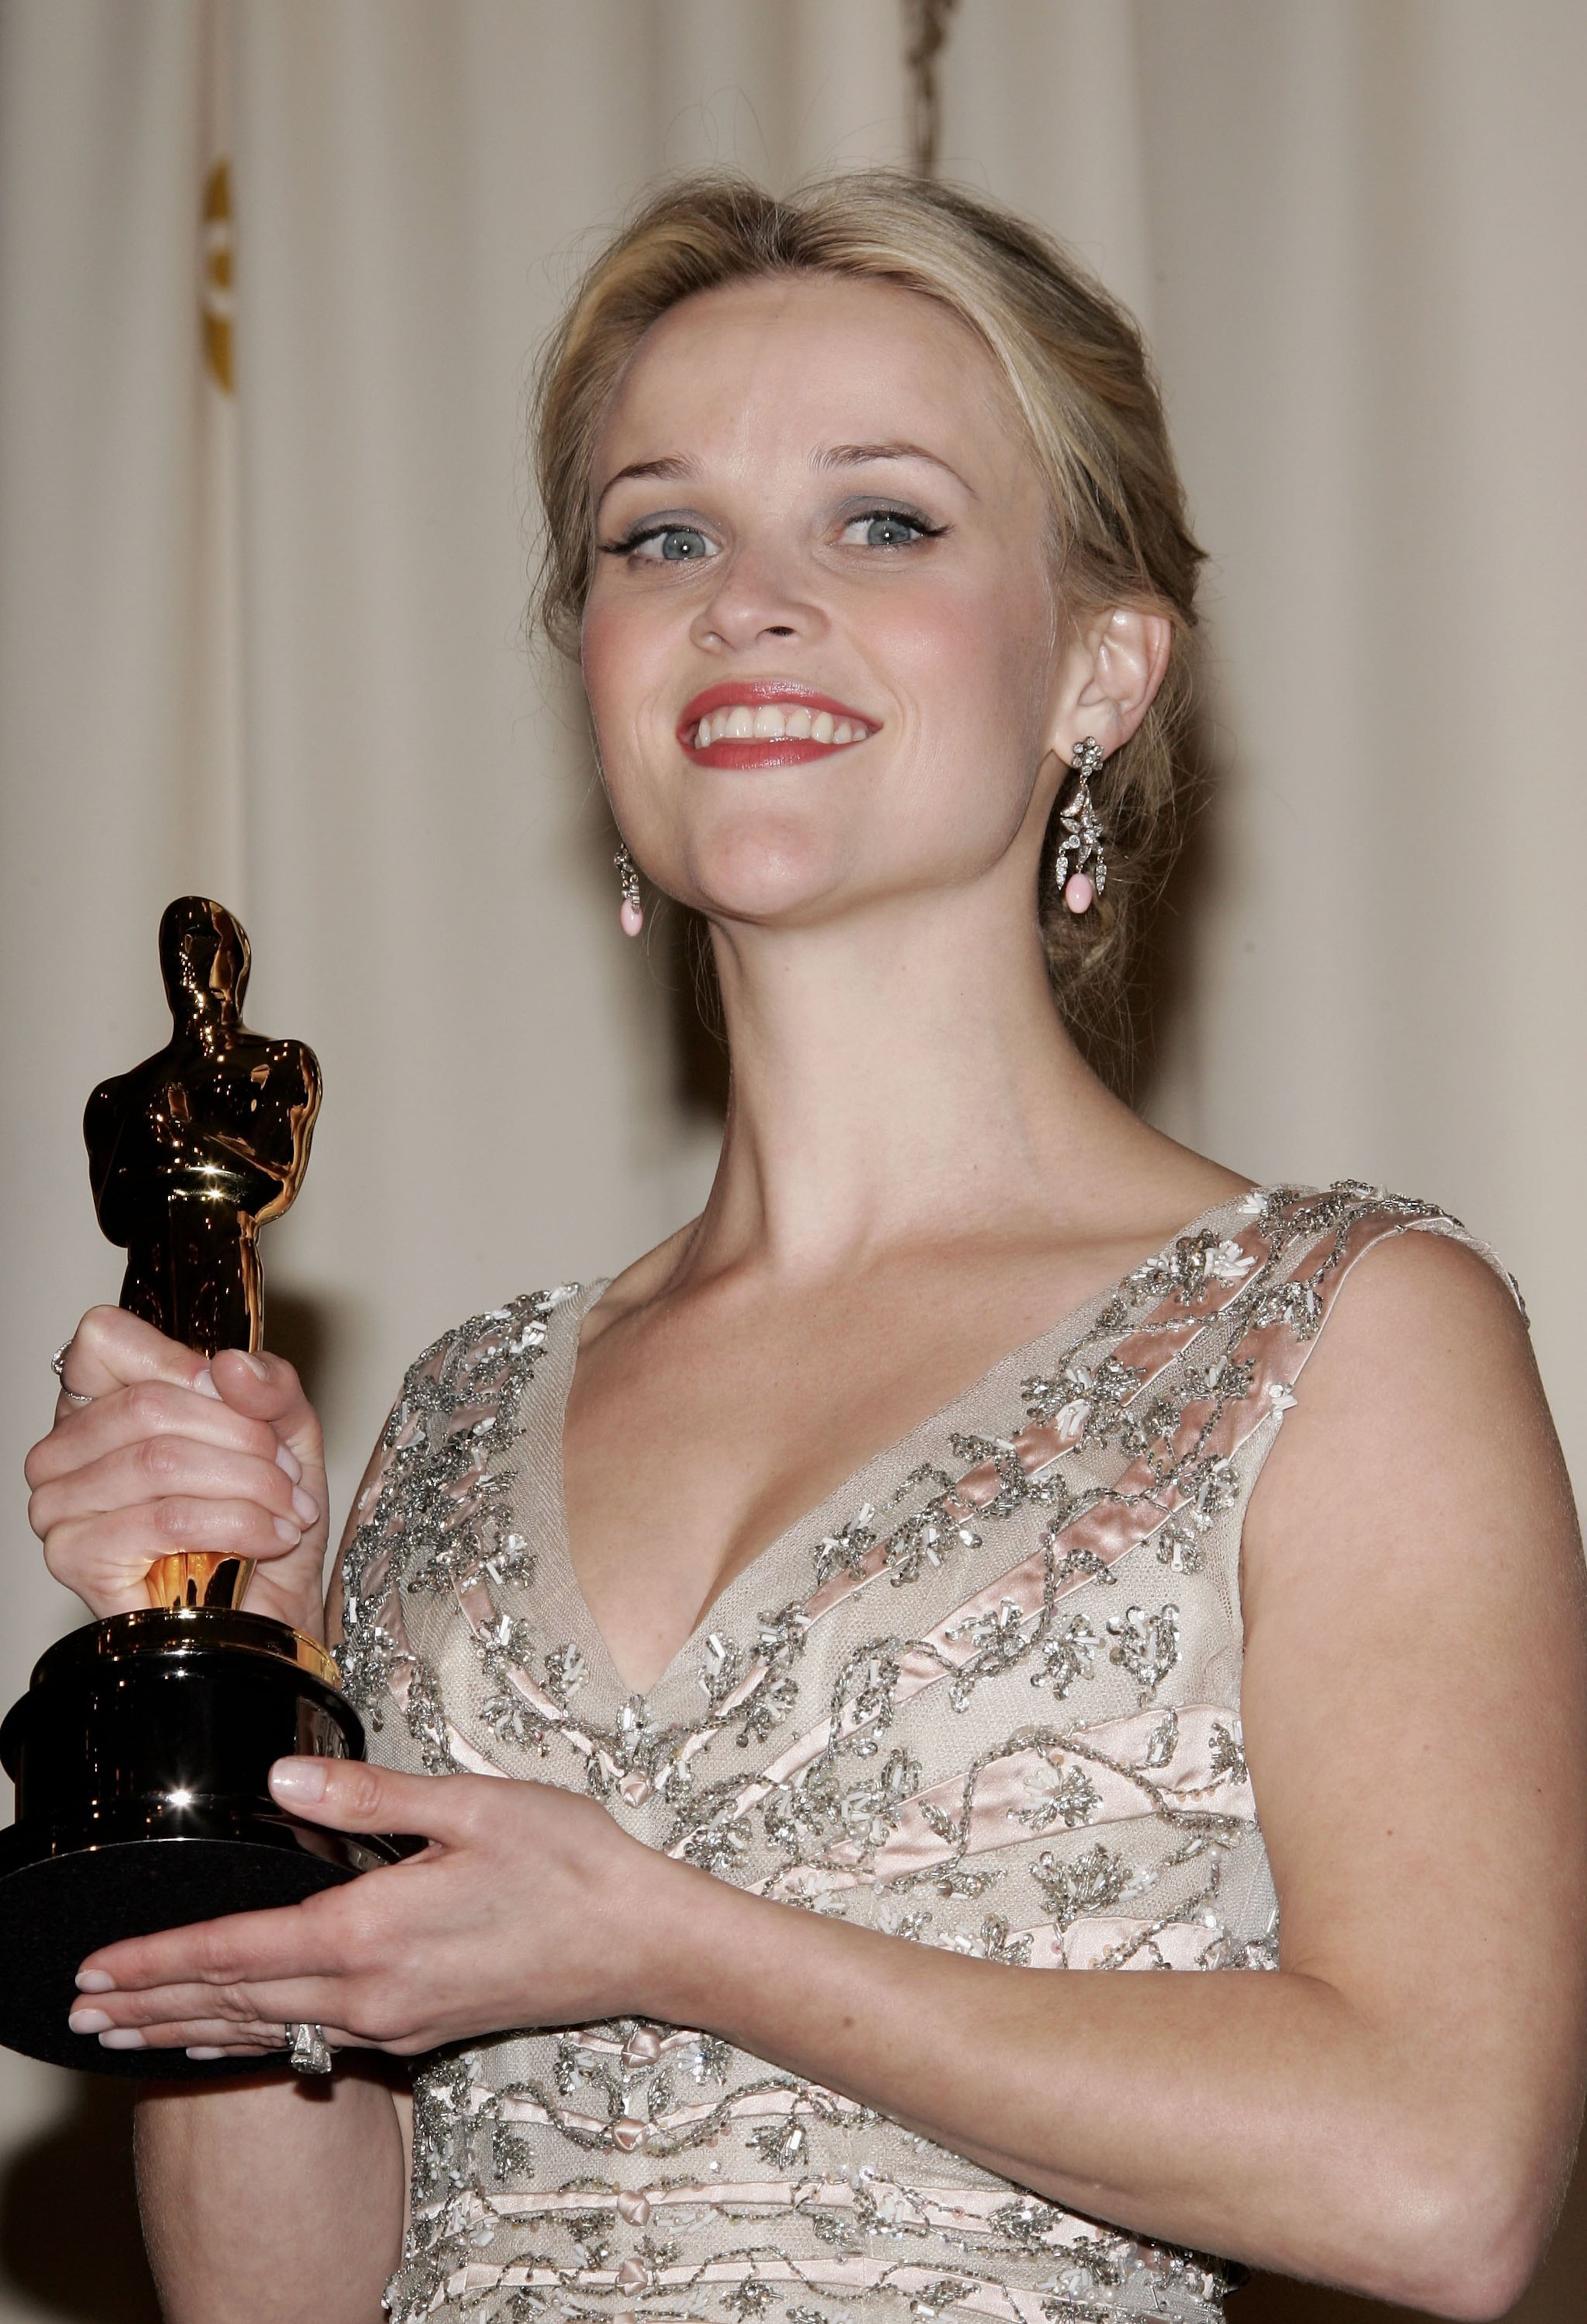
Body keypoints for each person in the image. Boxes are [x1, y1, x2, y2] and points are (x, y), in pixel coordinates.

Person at [23, 171, 1587, 2324]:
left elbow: (1447, 2180)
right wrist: (241, 1669)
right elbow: (274, 2303)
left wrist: (675, 1941)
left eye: (883, 521)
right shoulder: (467, 1416)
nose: (744, 601)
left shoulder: (1348, 1336)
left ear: (1101, 672)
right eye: (660, 536)